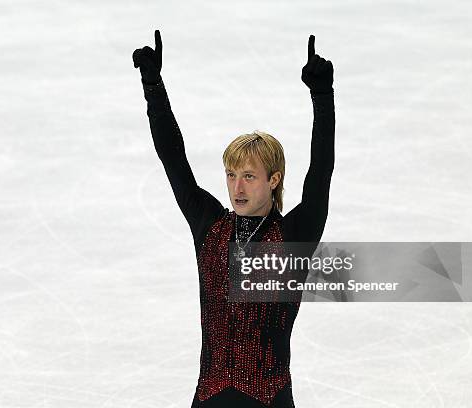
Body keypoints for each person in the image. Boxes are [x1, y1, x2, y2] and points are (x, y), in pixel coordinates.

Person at [132, 30, 335, 408]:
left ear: (273, 180)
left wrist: (322, 98)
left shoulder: (293, 234)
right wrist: (153, 87)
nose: (236, 187)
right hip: (208, 397)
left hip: (269, 398)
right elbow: (173, 159)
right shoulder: (210, 225)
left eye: (249, 176)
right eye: (231, 174)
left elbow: (320, 173)